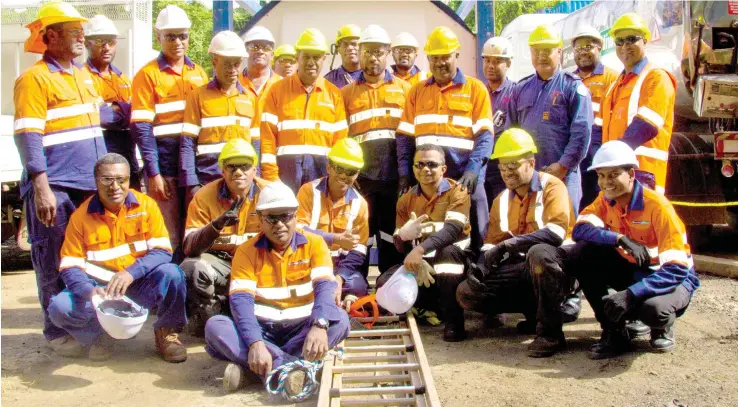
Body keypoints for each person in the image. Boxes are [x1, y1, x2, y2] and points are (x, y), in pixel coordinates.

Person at [530, 141, 699, 359]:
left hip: (669, 277)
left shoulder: (658, 207)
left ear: (631, 174)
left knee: (653, 310)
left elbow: (677, 270)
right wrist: (619, 239)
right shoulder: (606, 199)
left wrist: (631, 294)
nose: (606, 182)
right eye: (601, 175)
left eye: (613, 175)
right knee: (585, 253)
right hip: (634, 268)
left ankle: (661, 325)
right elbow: (581, 229)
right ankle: (614, 332)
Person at [13, 1, 110, 353]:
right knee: (52, 257)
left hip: (87, 185)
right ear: (50, 36)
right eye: (74, 32)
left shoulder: (81, 75)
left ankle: (84, 326)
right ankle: (56, 332)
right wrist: (41, 188)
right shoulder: (34, 79)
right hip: (56, 187)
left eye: (81, 31)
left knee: (83, 260)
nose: (82, 37)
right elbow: (27, 135)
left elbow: (99, 118)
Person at [203, 182, 350, 395]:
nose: (279, 224)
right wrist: (255, 342)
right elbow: (241, 302)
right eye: (271, 217)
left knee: (340, 321)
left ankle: (255, 370)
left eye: (286, 216)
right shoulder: (246, 251)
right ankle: (291, 368)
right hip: (261, 330)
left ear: (296, 216)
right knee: (216, 327)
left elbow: (325, 287)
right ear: (260, 219)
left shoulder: (315, 244)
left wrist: (319, 325)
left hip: (302, 327)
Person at [47, 153, 188, 362]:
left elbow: (163, 251)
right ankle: (100, 336)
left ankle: (166, 334)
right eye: (107, 179)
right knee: (60, 307)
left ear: (129, 180)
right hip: (101, 290)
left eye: (121, 180)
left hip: (137, 284)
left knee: (173, 274)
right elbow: (70, 266)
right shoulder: (80, 217)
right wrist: (90, 292)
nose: (115, 186)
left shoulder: (146, 206)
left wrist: (131, 273)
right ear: (96, 181)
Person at [456, 129, 574, 354]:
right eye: (502, 167)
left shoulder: (552, 186)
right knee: (466, 292)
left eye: (512, 166)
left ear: (531, 162)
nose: (506, 173)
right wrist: (480, 269)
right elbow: (492, 244)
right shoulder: (501, 200)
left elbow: (556, 233)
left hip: (559, 268)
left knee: (539, 254)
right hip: (526, 270)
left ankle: (551, 334)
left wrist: (509, 244)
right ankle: (533, 314)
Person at [397, 26, 493, 253]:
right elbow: (404, 138)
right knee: (427, 227)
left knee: (479, 224)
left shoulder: (475, 89)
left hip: (464, 176)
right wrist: (404, 173)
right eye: (435, 58)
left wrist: (473, 170)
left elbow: (485, 136)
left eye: (446, 57)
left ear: (456, 56)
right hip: (429, 177)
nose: (440, 63)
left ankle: (480, 272)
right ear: (428, 59)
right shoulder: (416, 91)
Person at [131, 5, 208, 261]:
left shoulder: (198, 73)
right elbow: (142, 128)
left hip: (193, 169)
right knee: (168, 235)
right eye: (171, 36)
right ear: (159, 37)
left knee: (194, 232)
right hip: (165, 169)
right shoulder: (147, 75)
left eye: (182, 36)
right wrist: (153, 173)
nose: (177, 42)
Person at [342, 25, 411, 273]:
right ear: (360, 53)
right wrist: (349, 175)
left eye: (379, 52)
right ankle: (355, 286)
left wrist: (405, 175)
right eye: (368, 51)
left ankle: (388, 283)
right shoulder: (347, 93)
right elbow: (342, 138)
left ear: (388, 53)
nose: (373, 57)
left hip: (394, 179)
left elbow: (409, 136)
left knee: (390, 234)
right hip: (361, 180)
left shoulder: (405, 90)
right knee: (361, 233)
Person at [181, 139, 268, 335]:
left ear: (255, 170)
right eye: (232, 167)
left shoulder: (269, 193)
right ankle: (211, 319)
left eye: (245, 166)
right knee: (191, 268)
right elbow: (189, 248)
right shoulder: (204, 196)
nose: (238, 172)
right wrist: (215, 226)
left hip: (258, 266)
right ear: (222, 170)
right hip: (221, 265)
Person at [385, 144, 471, 341]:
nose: (425, 169)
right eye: (420, 164)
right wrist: (404, 238)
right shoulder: (406, 199)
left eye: (432, 164)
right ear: (414, 169)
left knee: (447, 256)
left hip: (455, 266)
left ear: (443, 168)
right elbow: (399, 245)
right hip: (422, 264)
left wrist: (420, 250)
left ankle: (454, 322)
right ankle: (430, 306)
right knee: (384, 283)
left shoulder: (458, 192)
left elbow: (452, 230)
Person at [504, 24, 593, 213]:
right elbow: (510, 132)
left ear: (559, 52)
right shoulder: (520, 89)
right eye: (536, 51)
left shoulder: (572, 87)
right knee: (529, 229)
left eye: (547, 50)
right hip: (528, 177)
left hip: (563, 175)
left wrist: (563, 165)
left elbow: (581, 132)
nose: (541, 56)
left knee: (564, 230)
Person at [259, 28, 348, 191]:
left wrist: (335, 178)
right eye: (306, 56)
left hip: (322, 174)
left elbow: (340, 142)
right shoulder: (276, 90)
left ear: (324, 58)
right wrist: (271, 177)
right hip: (284, 174)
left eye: (316, 57)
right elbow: (267, 137)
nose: (311, 62)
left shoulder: (334, 94)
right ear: (297, 57)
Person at [601, 13, 677, 195]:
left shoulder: (656, 77)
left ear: (645, 41)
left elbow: (646, 126)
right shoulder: (615, 85)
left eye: (631, 39)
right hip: (615, 177)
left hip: (643, 177)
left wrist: (612, 158)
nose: (625, 46)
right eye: (619, 41)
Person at [180, 31, 256, 205]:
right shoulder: (197, 96)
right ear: (214, 61)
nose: (233, 70)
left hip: (241, 182)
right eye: (227, 64)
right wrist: (192, 184)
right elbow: (187, 144)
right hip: (207, 179)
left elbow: (256, 144)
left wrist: (255, 178)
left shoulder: (251, 99)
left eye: (237, 64)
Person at [296, 138, 370, 309]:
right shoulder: (308, 191)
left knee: (357, 285)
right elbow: (297, 230)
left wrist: (339, 279)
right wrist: (334, 238)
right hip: (309, 261)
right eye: (339, 168)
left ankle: (337, 291)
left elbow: (359, 249)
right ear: (328, 167)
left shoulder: (360, 204)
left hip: (338, 265)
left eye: (350, 171)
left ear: (357, 174)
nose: (344, 175)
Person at [83, 15, 140, 190]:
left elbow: (135, 112)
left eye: (111, 42)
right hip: (100, 151)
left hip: (127, 152)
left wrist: (117, 108)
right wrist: (124, 110)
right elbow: (102, 117)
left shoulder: (122, 78)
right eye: (100, 41)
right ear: (87, 43)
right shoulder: (82, 77)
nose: (106, 47)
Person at [571, 25, 619, 209]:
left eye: (588, 46)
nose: (583, 52)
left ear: (599, 47)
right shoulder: (568, 79)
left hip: (599, 151)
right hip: (575, 151)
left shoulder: (611, 78)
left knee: (599, 202)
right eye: (579, 48)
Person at [480, 36, 516, 207]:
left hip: (504, 168)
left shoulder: (516, 92)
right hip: (481, 166)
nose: (491, 66)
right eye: (487, 60)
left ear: (508, 63)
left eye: (497, 61)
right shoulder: (478, 92)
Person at [325, 24, 362, 89]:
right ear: (338, 48)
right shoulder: (328, 80)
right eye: (345, 44)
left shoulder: (372, 77)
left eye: (354, 44)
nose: (350, 48)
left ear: (362, 48)